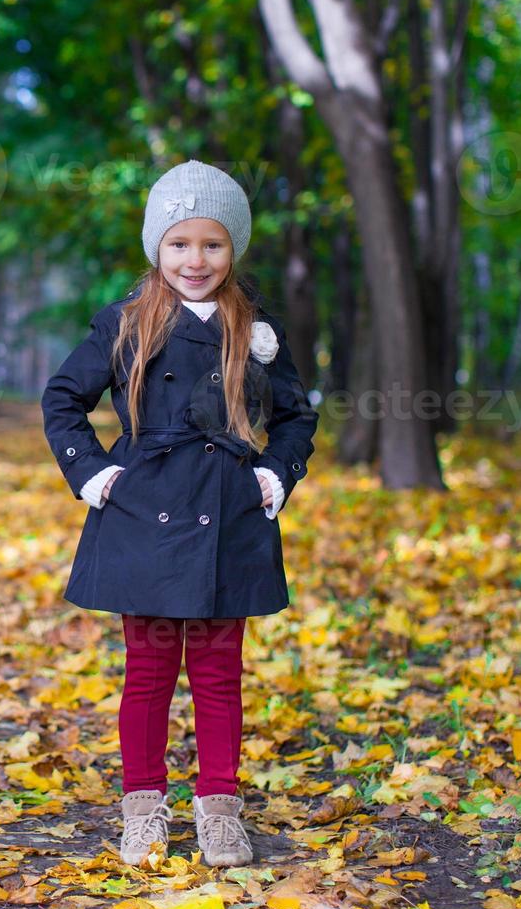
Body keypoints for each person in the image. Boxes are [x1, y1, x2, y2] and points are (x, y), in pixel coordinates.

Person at [40, 160, 318, 868]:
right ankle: (143, 810)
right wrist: (94, 474)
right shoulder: (126, 323)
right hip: (145, 516)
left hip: (228, 516)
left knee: (222, 673)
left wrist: (274, 474)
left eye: (213, 244)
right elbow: (62, 400)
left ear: (235, 249)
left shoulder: (255, 327)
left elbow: (294, 418)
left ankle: (220, 809)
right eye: (180, 244)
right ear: (156, 247)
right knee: (150, 672)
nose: (196, 260)